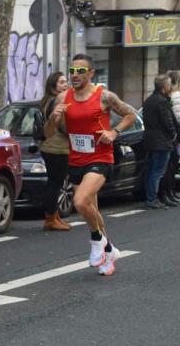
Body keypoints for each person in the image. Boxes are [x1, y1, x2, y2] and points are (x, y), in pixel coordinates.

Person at [46, 53, 136, 276]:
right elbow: (48, 134)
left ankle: (97, 241)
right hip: (76, 159)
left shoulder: (104, 96)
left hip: (100, 158)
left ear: (91, 73)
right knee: (91, 209)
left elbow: (130, 115)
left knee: (80, 200)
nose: (75, 75)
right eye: (72, 71)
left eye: (80, 71)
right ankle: (108, 250)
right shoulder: (62, 98)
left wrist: (114, 132)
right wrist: (52, 118)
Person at [39, 71, 71, 231]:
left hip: (49, 146)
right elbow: (62, 126)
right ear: (53, 85)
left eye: (66, 82)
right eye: (61, 82)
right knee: (55, 183)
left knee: (55, 182)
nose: (65, 84)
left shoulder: (47, 100)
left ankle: (54, 216)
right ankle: (50, 218)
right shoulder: (56, 103)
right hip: (57, 147)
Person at [142, 74, 177, 209]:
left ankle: (150, 197)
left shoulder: (149, 100)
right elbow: (167, 121)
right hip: (161, 141)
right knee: (157, 172)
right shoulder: (162, 101)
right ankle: (152, 199)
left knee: (151, 170)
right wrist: (173, 134)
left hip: (150, 140)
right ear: (165, 86)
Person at [159, 70, 180, 203]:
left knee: (170, 164)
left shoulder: (167, 96)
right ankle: (169, 193)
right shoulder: (176, 96)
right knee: (171, 164)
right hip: (174, 134)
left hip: (170, 135)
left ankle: (169, 192)